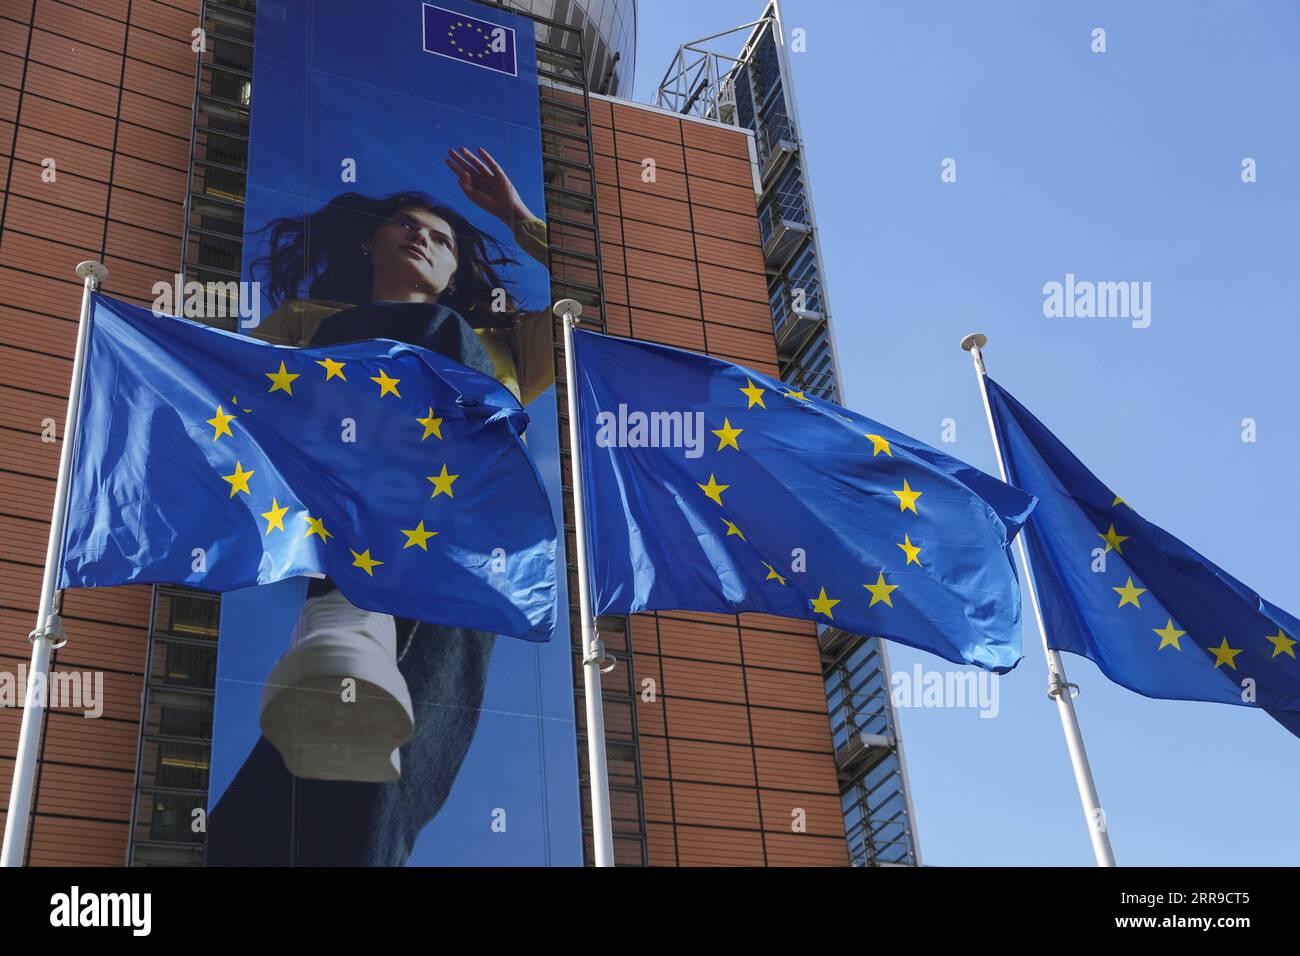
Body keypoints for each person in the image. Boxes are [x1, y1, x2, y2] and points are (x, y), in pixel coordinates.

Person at [206, 148, 554, 866]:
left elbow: (601, 299)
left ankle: (351, 624)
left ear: (459, 270)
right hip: (350, 521)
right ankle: (350, 615)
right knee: (334, 769)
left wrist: (517, 218)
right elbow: (230, 393)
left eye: (443, 238)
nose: (421, 236)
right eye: (403, 223)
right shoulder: (311, 323)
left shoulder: (504, 343)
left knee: (383, 764)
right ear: (370, 240)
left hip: (459, 547)